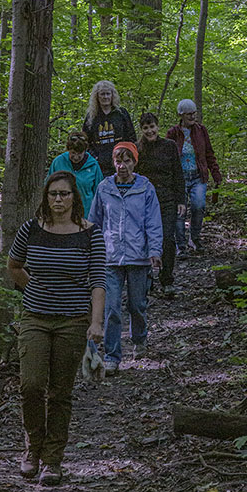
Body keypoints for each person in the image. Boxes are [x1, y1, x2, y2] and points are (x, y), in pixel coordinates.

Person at [7, 170, 106, 487]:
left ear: (74, 197)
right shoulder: (30, 229)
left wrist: (96, 322)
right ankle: (32, 449)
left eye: (64, 194)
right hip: (35, 317)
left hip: (73, 321)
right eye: (53, 194)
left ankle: (52, 461)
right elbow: (14, 265)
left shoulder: (90, 233)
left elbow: (98, 281)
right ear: (45, 197)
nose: (59, 199)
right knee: (31, 386)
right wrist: (32, 289)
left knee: (60, 393)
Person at [87, 141, 163, 375]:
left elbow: (153, 222)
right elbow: (94, 222)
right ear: (113, 163)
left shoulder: (146, 188)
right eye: (119, 161)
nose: (122, 166)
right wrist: (91, 251)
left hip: (138, 257)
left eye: (127, 160)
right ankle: (112, 356)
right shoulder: (104, 188)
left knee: (137, 305)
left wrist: (155, 251)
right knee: (111, 309)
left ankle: (139, 340)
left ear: (135, 162)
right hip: (110, 258)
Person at [136, 111, 185, 299]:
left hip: (167, 200)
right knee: (144, 239)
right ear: (142, 129)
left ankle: (167, 279)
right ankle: (147, 278)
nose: (150, 131)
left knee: (167, 239)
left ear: (158, 126)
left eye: (152, 127)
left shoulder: (169, 146)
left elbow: (177, 174)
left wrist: (181, 200)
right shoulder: (138, 148)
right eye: (146, 128)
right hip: (144, 202)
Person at [167, 99, 222, 255]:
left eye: (194, 113)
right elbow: (168, 156)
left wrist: (215, 173)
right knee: (180, 211)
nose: (192, 116)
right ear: (181, 115)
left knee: (199, 206)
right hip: (180, 178)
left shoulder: (201, 130)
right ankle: (181, 245)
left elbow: (209, 153)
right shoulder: (173, 133)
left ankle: (195, 238)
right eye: (189, 114)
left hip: (198, 176)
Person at [82, 80, 135, 176]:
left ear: (112, 95)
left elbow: (131, 136)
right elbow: (85, 140)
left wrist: (126, 156)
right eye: (102, 94)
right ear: (97, 97)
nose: (105, 97)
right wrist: (95, 157)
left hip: (120, 163)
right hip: (99, 165)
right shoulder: (92, 116)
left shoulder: (121, 113)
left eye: (108, 94)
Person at [47, 129, 103, 213]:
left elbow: (99, 192)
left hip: (86, 212)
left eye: (79, 154)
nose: (76, 157)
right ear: (68, 150)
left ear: (85, 150)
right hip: (61, 212)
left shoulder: (93, 165)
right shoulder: (58, 162)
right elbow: (48, 186)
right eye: (73, 153)